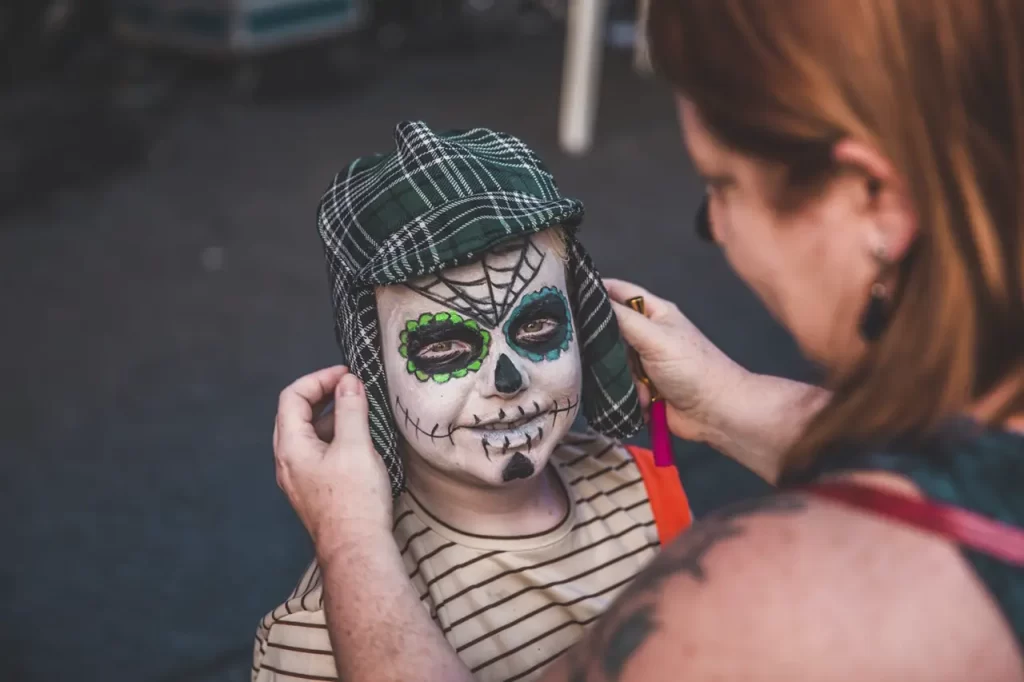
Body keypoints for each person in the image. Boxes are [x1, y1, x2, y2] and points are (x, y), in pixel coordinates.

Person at [271, 0, 1024, 680]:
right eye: (442, 346)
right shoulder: (308, 640)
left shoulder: (752, 604)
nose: (715, 228)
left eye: (723, 184)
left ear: (876, 199)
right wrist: (732, 403)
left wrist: (351, 548)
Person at [254, 122, 693, 682]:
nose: (507, 380)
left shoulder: (644, 486)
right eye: (443, 346)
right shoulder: (320, 639)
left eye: (536, 324)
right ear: (372, 368)